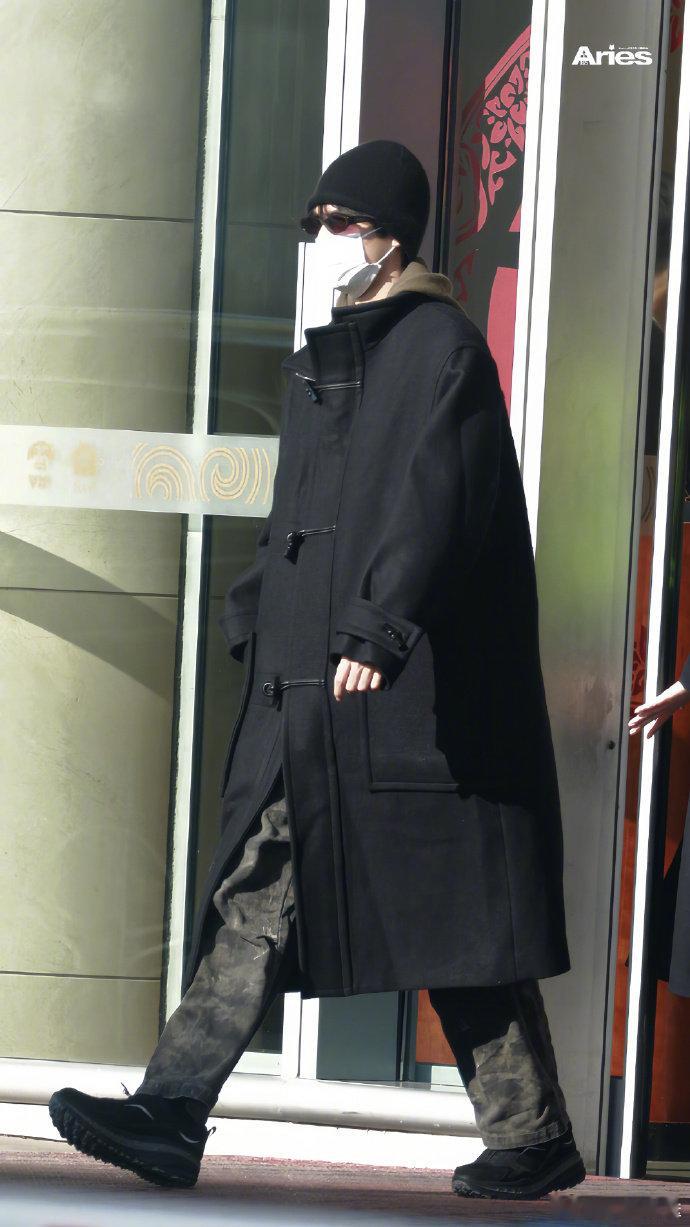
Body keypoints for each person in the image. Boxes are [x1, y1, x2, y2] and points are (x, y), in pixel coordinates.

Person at [49, 139, 584, 1201]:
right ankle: (171, 1110)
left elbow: (441, 503)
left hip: (408, 702)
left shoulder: (440, 349)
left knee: (454, 922)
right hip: (312, 687)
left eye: (342, 222)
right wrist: (261, 615)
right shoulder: (328, 359)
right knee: (262, 885)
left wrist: (376, 629)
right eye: (316, 223)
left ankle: (532, 1136)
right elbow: (299, 516)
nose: (324, 240)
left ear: (390, 237)